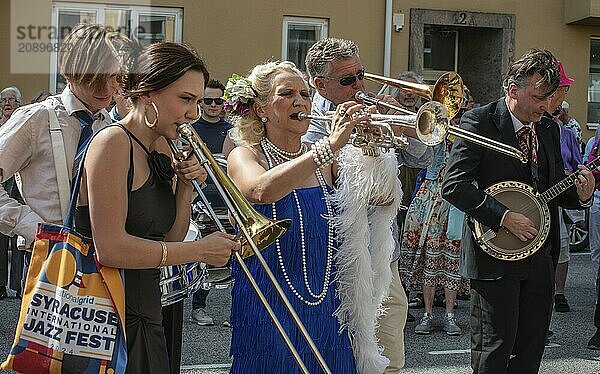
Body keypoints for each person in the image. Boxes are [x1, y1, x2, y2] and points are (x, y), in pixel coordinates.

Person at [75, 40, 238, 373]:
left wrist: (186, 187)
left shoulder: (162, 144)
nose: (193, 113)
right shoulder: (112, 142)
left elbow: (170, 240)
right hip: (102, 323)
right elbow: (111, 249)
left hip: (147, 313)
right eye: (186, 100)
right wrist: (200, 252)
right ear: (148, 93)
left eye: (197, 101)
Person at [442, 49, 595, 374]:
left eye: (550, 97)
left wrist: (582, 195)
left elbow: (549, 191)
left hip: (540, 260)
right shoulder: (479, 121)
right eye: (540, 97)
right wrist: (503, 215)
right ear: (513, 90)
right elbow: (453, 185)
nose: (545, 105)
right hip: (494, 256)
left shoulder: (548, 129)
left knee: (530, 352)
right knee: (493, 353)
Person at [303, 37, 433, 372]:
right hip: (328, 254)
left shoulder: (373, 109)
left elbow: (422, 156)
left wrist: (398, 122)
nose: (360, 85)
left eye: (361, 75)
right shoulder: (307, 121)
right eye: (348, 80)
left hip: (380, 253)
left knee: (389, 342)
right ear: (321, 84)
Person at [225, 61, 358, 373]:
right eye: (287, 94)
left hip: (325, 299)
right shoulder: (245, 155)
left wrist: (376, 151)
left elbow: (380, 199)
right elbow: (261, 189)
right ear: (260, 109)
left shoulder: (326, 157)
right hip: (267, 299)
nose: (301, 101)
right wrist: (329, 147)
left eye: (305, 93)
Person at [0, 24, 117, 299]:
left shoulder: (110, 126)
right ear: (72, 72)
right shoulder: (36, 118)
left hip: (103, 262)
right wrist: (34, 229)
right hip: (50, 262)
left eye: (113, 76)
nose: (106, 88)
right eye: (94, 78)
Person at [189, 78, 233, 326]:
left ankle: (232, 312)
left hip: (227, 201)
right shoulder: (192, 128)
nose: (214, 105)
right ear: (201, 102)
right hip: (201, 202)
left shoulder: (231, 130)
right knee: (204, 255)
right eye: (208, 100)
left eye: (219, 100)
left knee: (233, 258)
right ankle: (198, 307)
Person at [0, 86, 25, 299]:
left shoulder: (23, 125)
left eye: (11, 100)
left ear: (19, 104)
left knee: (19, 237)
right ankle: (0, 285)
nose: (7, 103)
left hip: (19, 186)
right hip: (2, 185)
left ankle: (17, 286)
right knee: (0, 237)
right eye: (3, 100)